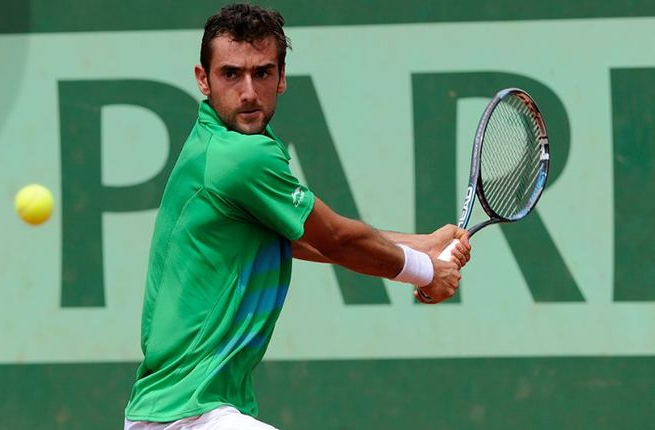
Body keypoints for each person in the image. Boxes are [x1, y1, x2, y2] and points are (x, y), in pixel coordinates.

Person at [124, 4, 471, 429]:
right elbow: (336, 239)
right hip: (188, 414)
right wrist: (424, 272)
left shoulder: (218, 144)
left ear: (281, 78)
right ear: (203, 80)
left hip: (179, 412)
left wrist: (421, 245)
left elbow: (299, 237)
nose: (248, 91)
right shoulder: (239, 158)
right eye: (231, 74)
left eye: (262, 73)